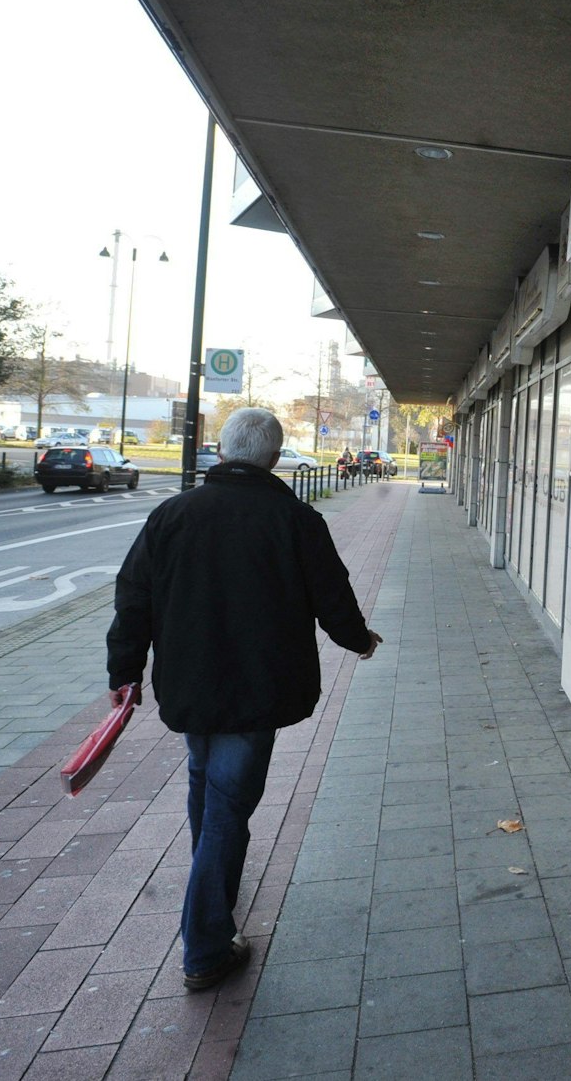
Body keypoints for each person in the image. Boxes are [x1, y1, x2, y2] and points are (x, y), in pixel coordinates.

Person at [106, 407, 382, 991]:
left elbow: (133, 599)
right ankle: (206, 945)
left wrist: (125, 671)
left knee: (207, 785)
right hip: (259, 686)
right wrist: (359, 641)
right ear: (275, 457)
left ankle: (214, 880)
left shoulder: (172, 515)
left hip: (188, 683)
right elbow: (332, 595)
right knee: (228, 806)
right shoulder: (294, 519)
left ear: (222, 452)